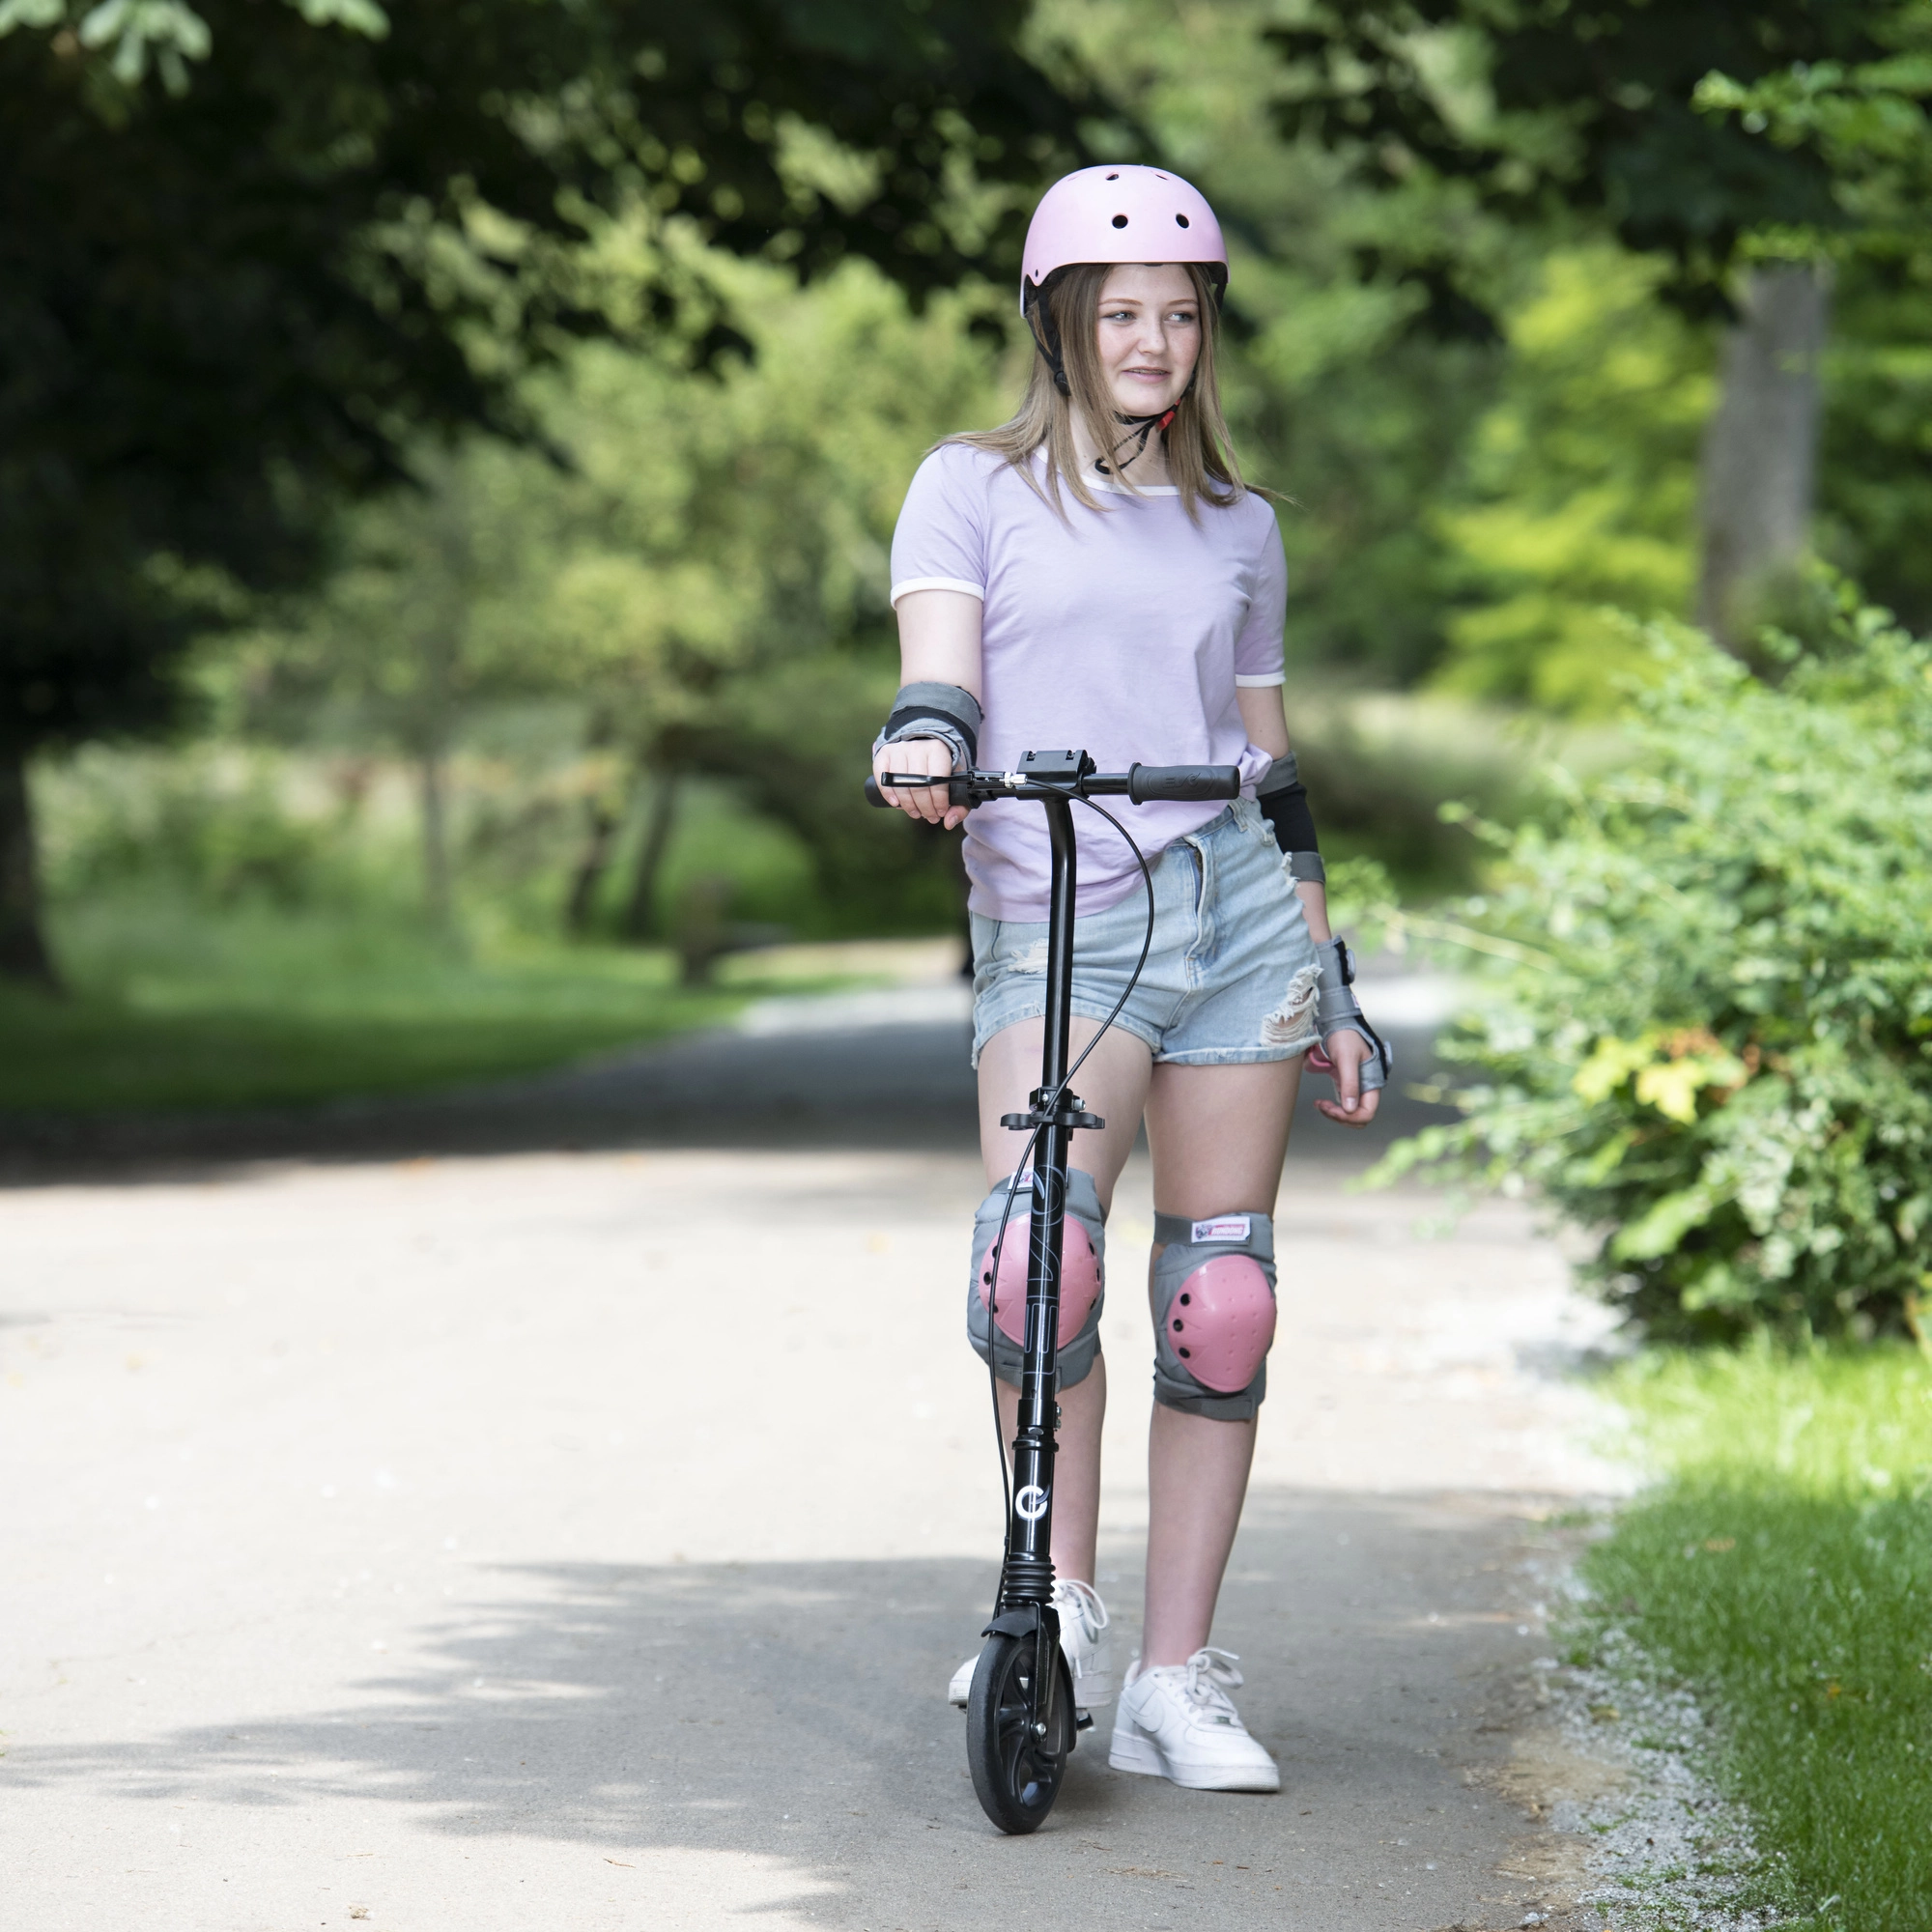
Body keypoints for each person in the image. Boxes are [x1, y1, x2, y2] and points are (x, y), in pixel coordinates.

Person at [871, 164, 1388, 1795]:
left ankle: (1177, 1679)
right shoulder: (969, 487)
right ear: (1059, 326)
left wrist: (1331, 973)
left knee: (1222, 1301)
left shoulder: (1242, 526)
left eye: (1179, 313)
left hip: (1236, 918)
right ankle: (1055, 1609)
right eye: (1120, 315)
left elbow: (1271, 764)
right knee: (1039, 1266)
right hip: (1061, 915)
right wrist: (923, 743)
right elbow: (940, 672)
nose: (1153, 340)